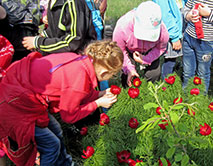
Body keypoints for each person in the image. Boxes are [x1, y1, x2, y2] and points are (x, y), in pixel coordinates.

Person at [0, 40, 123, 166]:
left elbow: (78, 94)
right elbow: (69, 116)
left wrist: (100, 94)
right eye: (113, 74)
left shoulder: (80, 61)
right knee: (51, 146)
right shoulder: (78, 77)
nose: (112, 77)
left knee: (57, 131)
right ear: (104, 72)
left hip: (19, 88)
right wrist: (97, 103)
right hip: (15, 103)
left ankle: (65, 163)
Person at [113, 1, 169, 87]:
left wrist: (146, 59)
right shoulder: (123, 27)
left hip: (150, 51)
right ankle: (128, 93)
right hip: (129, 50)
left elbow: (160, 48)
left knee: (154, 74)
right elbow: (119, 51)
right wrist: (129, 69)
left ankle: (151, 94)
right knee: (127, 76)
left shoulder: (163, 31)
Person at [22, 0, 97, 55]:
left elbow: (73, 41)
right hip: (62, 56)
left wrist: (38, 42)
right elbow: (55, 31)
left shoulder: (72, 3)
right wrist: (41, 37)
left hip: (78, 59)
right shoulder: (53, 2)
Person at [152, 0, 188, 80]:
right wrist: (174, 38)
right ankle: (167, 84)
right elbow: (165, 16)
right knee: (170, 60)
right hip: (171, 31)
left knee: (185, 57)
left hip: (181, 25)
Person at [183, 1, 213, 92]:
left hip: (206, 42)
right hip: (189, 38)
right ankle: (186, 96)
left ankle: (201, 99)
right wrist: (188, 16)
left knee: (203, 72)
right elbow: (186, 8)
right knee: (187, 71)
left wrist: (209, 14)